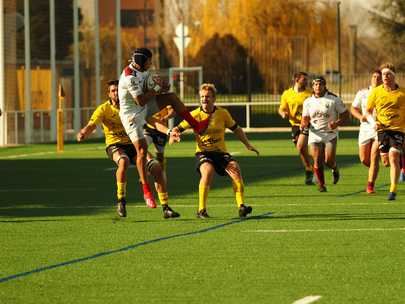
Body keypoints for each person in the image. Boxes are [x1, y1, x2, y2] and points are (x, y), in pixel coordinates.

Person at [118, 47, 210, 209]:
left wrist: (163, 86)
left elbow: (151, 90)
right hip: (131, 115)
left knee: (172, 97)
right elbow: (140, 100)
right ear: (141, 61)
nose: (151, 63)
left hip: (143, 108)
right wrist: (156, 89)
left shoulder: (143, 70)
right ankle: (146, 190)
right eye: (149, 60)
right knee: (142, 151)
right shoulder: (129, 77)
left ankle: (196, 126)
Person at [76, 80, 180, 218]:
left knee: (156, 168)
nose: (116, 93)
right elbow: (92, 125)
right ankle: (121, 200)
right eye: (113, 91)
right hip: (115, 145)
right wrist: (83, 132)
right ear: (109, 93)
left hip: (134, 144)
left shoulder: (132, 106)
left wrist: (168, 131)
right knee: (123, 161)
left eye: (117, 90)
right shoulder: (103, 109)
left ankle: (166, 208)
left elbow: (152, 121)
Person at [172, 83, 259, 219]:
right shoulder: (194, 114)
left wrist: (247, 144)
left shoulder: (222, 113)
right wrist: (175, 134)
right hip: (203, 153)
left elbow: (236, 128)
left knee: (235, 169)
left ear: (214, 98)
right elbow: (178, 128)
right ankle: (201, 210)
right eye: (202, 97)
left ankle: (241, 206)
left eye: (207, 96)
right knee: (207, 171)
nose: (204, 99)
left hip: (220, 153)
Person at [301, 76, 349, 192]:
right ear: (312, 86)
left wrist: (336, 123)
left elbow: (345, 115)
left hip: (330, 134)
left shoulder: (333, 99)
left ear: (324, 86)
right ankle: (321, 185)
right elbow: (305, 118)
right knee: (317, 159)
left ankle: (334, 168)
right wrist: (304, 123)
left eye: (320, 84)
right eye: (316, 84)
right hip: (315, 133)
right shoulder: (308, 101)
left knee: (328, 160)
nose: (318, 87)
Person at [367, 63, 405, 200]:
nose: (385, 77)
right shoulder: (376, 92)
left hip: (398, 130)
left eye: (388, 74)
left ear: (394, 76)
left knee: (393, 155)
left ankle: (393, 190)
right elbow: (367, 112)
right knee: (386, 162)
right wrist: (374, 122)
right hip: (382, 130)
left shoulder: (402, 93)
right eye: (383, 74)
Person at [351, 69, 382, 193]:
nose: (376, 79)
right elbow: (353, 108)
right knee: (364, 159)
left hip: (379, 129)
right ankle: (375, 168)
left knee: (374, 156)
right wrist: (360, 117)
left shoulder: (385, 93)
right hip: (365, 129)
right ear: (371, 78)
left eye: (378, 77)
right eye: (374, 76)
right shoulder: (362, 93)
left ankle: (370, 185)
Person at [279, 72, 313, 184]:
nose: (306, 81)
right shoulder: (287, 94)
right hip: (294, 125)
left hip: (308, 124)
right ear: (296, 80)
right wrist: (283, 113)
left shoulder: (309, 94)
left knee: (303, 147)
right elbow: (281, 108)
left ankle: (313, 169)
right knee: (301, 149)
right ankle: (309, 168)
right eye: (304, 79)